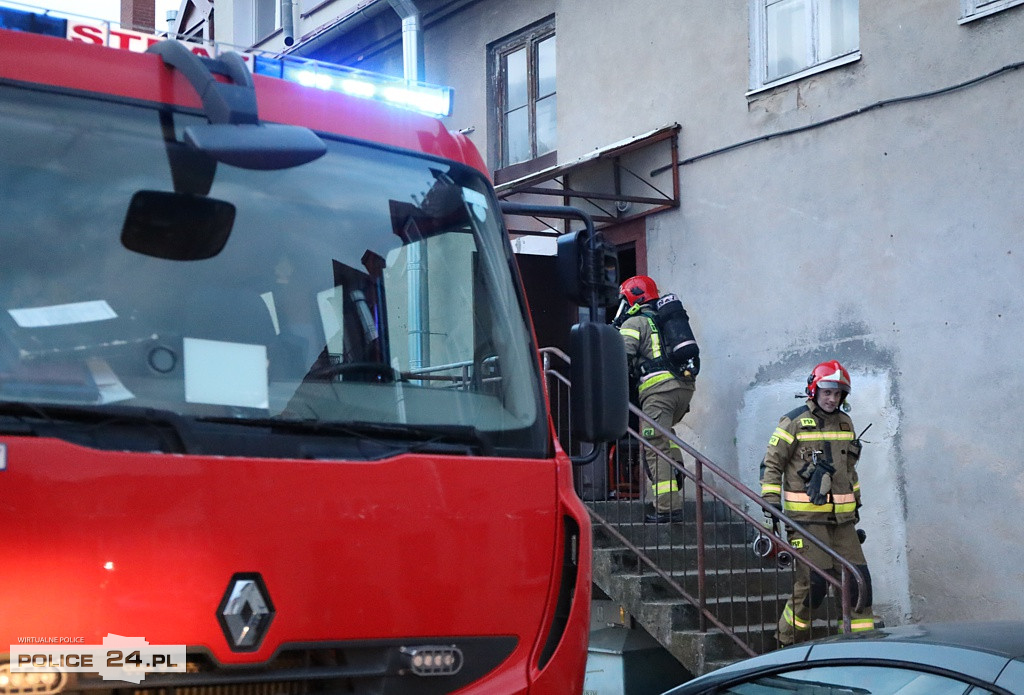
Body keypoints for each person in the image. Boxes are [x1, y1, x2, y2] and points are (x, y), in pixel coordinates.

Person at [759, 359, 875, 645]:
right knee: (814, 586)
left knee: (860, 586)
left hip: (844, 523)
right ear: (813, 390)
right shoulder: (793, 422)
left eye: (837, 394)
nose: (832, 398)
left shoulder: (846, 423)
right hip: (806, 523)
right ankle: (782, 642)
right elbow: (771, 465)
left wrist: (855, 503)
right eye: (827, 392)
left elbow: (849, 471)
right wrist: (771, 503)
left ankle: (859, 647)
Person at [613, 275, 697, 523]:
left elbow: (621, 356)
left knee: (653, 447)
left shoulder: (635, 322)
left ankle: (667, 509)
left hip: (659, 392)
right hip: (682, 390)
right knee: (664, 434)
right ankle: (676, 467)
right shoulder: (666, 321)